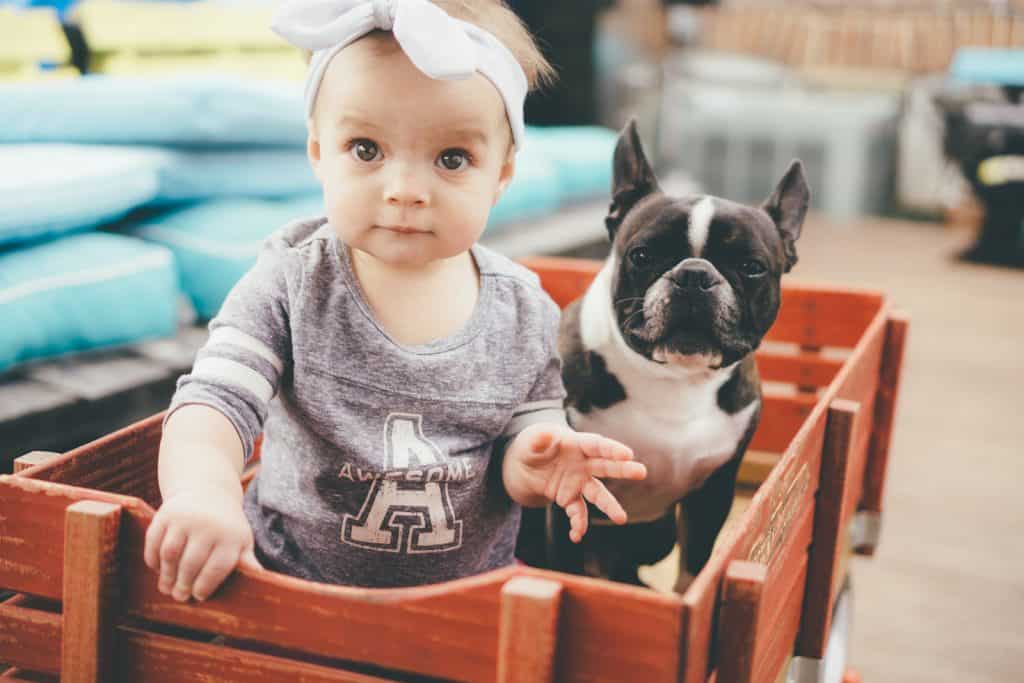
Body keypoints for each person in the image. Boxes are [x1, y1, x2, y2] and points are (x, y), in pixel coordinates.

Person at [143, 0, 647, 602]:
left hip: (464, 611)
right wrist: (204, 494)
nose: (406, 191)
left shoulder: (521, 309)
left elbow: (524, 432)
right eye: (365, 149)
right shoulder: (292, 281)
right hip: (283, 589)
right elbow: (214, 404)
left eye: (452, 159)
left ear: (503, 174)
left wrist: (535, 462)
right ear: (317, 153)